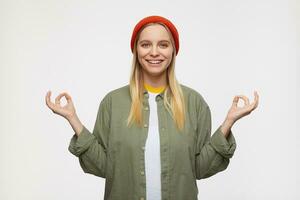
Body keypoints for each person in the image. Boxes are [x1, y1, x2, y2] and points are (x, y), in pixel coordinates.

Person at [45, 15, 259, 200]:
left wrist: (228, 122)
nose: (154, 52)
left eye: (163, 45)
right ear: (136, 50)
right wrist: (73, 119)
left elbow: (200, 169)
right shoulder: (113, 102)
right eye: (146, 44)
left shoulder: (194, 103)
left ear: (173, 51)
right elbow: (103, 167)